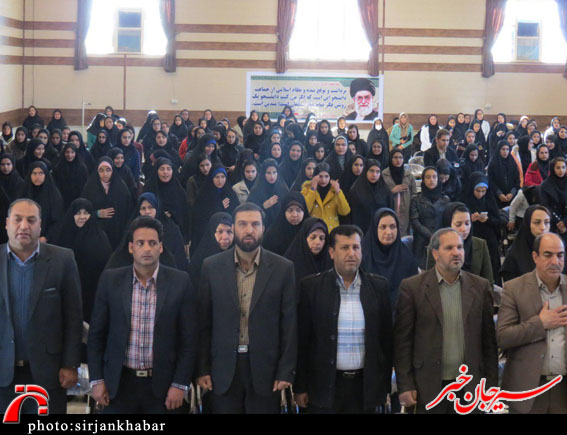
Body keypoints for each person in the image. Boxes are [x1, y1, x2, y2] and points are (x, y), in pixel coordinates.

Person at [88, 216, 197, 414]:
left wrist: (180, 384)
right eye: (140, 243)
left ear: (161, 247)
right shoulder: (110, 280)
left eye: (152, 243)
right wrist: (97, 380)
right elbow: (96, 335)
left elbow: (188, 340)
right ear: (131, 247)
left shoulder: (180, 282)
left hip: (164, 387)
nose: (147, 248)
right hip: (119, 385)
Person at [197, 203, 297, 414]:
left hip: (266, 370)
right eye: (243, 224)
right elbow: (204, 323)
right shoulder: (211, 267)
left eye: (255, 224)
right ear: (233, 228)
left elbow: (289, 324)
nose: (249, 230)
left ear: (263, 228)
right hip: (222, 370)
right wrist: (202, 368)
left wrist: (285, 371)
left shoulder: (283, 268)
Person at [394, 228, 498, 414]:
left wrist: (491, 385)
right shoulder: (413, 288)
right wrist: (405, 384)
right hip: (427, 387)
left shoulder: (480, 287)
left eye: (460, 247)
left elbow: (489, 343)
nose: (456, 252)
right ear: (435, 254)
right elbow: (403, 342)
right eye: (449, 248)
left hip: (471, 387)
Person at [295, 225, 392, 414]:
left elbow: (386, 341)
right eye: (344, 248)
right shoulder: (311, 287)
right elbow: (303, 342)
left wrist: (384, 386)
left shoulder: (378, 288)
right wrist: (300, 386)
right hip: (323, 386)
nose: (351, 253)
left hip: (364, 387)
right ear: (331, 252)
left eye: (356, 247)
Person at [0, 199, 82, 414]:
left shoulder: (62, 260)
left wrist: (71, 364)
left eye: (31, 220)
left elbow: (73, 317)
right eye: (17, 219)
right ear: (7, 223)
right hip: (3, 373)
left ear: (40, 225)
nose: (24, 226)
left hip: (49, 373)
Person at [497, 233, 567, 414]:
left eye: (560, 255)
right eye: (548, 255)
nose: (555, 261)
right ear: (535, 257)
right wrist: (540, 324)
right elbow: (503, 337)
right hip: (528, 389)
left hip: (563, 390)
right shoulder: (514, 288)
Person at [55, 198, 112, 324]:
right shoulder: (63, 235)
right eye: (78, 213)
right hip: (69, 290)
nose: (82, 217)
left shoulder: (99, 237)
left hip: (91, 291)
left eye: (86, 213)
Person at [362, 208, 418, 309]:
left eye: (393, 227)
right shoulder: (363, 256)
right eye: (383, 227)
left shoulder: (406, 257)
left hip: (402, 312)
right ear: (375, 228)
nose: (388, 232)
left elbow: (414, 292)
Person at [426, 202, 494, 286]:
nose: (464, 229)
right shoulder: (436, 246)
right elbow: (430, 282)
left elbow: (488, 282)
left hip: (476, 292)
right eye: (458, 224)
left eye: (467, 223)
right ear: (448, 224)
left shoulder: (480, 244)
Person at [80, 157, 134, 250]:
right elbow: (81, 212)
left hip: (118, 233)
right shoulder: (89, 188)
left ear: (113, 171)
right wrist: (97, 214)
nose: (105, 174)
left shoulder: (122, 187)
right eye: (101, 170)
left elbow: (128, 211)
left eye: (108, 170)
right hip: (96, 233)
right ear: (97, 171)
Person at [410, 167, 450, 269]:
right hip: (421, 241)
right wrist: (429, 235)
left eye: (434, 177)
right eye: (428, 177)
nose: (431, 180)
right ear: (423, 180)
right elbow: (414, 221)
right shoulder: (416, 199)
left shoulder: (445, 199)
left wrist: (438, 236)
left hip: (441, 240)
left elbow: (448, 221)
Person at [501, 205, 552, 283]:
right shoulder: (514, 255)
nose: (543, 227)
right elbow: (510, 286)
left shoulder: (556, 250)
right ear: (528, 224)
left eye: (546, 222)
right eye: (537, 222)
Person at [17, 161, 64, 244]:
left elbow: (57, 220)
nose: (37, 177)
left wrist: (46, 237)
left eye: (41, 173)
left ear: (46, 175)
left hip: (46, 241)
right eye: (34, 173)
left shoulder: (53, 195)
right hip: (24, 237)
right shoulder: (23, 193)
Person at [188, 212, 233, 290]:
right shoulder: (200, 260)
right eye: (220, 232)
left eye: (229, 232)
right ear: (212, 232)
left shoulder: (238, 258)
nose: (225, 237)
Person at [284, 217, 332, 289]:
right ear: (304, 238)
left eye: (321, 238)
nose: (317, 242)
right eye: (313, 237)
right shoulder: (290, 263)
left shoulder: (330, 262)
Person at [301, 162, 350, 232]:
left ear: (330, 177)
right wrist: (312, 189)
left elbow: (344, 212)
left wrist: (338, 192)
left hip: (332, 231)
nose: (323, 180)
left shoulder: (335, 190)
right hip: (314, 230)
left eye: (326, 176)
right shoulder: (307, 189)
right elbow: (305, 210)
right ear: (315, 176)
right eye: (320, 176)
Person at [348, 159, 393, 234]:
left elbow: (390, 212)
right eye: (371, 171)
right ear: (365, 171)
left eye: (377, 172)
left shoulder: (385, 190)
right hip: (362, 232)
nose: (374, 175)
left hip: (381, 231)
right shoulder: (356, 190)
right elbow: (351, 216)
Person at [382, 149, 416, 237]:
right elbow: (380, 195)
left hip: (405, 211)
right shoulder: (384, 175)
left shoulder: (409, 175)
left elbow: (414, 195)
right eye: (395, 157)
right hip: (389, 209)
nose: (398, 160)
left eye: (400, 157)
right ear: (390, 159)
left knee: (403, 236)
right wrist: (392, 191)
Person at [247, 159, 289, 228]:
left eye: (274, 172)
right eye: (268, 173)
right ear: (263, 174)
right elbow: (249, 211)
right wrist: (263, 206)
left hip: (280, 227)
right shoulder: (256, 190)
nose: (272, 176)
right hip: (261, 227)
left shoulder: (283, 189)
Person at [52, 143, 89, 210]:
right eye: (67, 152)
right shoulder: (58, 167)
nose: (69, 155)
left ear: (76, 153)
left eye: (72, 152)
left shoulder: (82, 168)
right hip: (62, 201)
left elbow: (85, 186)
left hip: (78, 200)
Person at [539, 157, 567, 237]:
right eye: (558, 168)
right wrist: (558, 221)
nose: (561, 170)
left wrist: (564, 222)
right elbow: (545, 205)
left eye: (563, 167)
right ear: (552, 169)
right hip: (551, 220)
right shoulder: (545, 184)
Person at [488, 140, 521, 208]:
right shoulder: (493, 164)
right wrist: (499, 194)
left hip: (512, 198)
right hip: (496, 198)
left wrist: (512, 193)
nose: (505, 151)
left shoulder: (512, 163)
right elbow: (490, 181)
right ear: (499, 150)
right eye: (503, 149)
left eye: (507, 149)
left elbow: (517, 181)